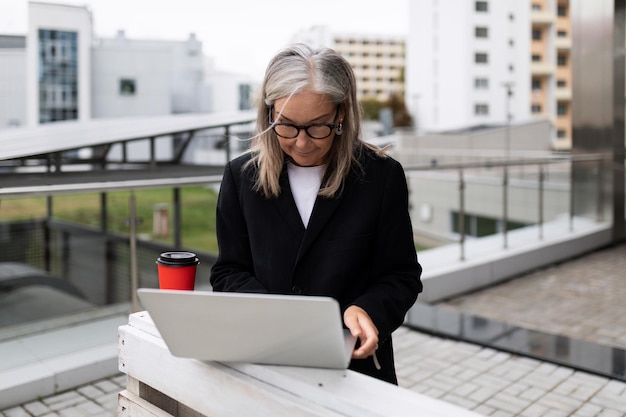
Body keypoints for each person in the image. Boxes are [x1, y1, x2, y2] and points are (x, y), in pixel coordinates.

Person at [209, 43, 423, 384]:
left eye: (317, 126)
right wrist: (274, 313)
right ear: (269, 114)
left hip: (354, 368)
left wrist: (368, 310)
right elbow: (228, 272)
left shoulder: (381, 177)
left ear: (341, 113)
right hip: (265, 362)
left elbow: (401, 275)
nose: (302, 143)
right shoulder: (240, 177)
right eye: (287, 126)